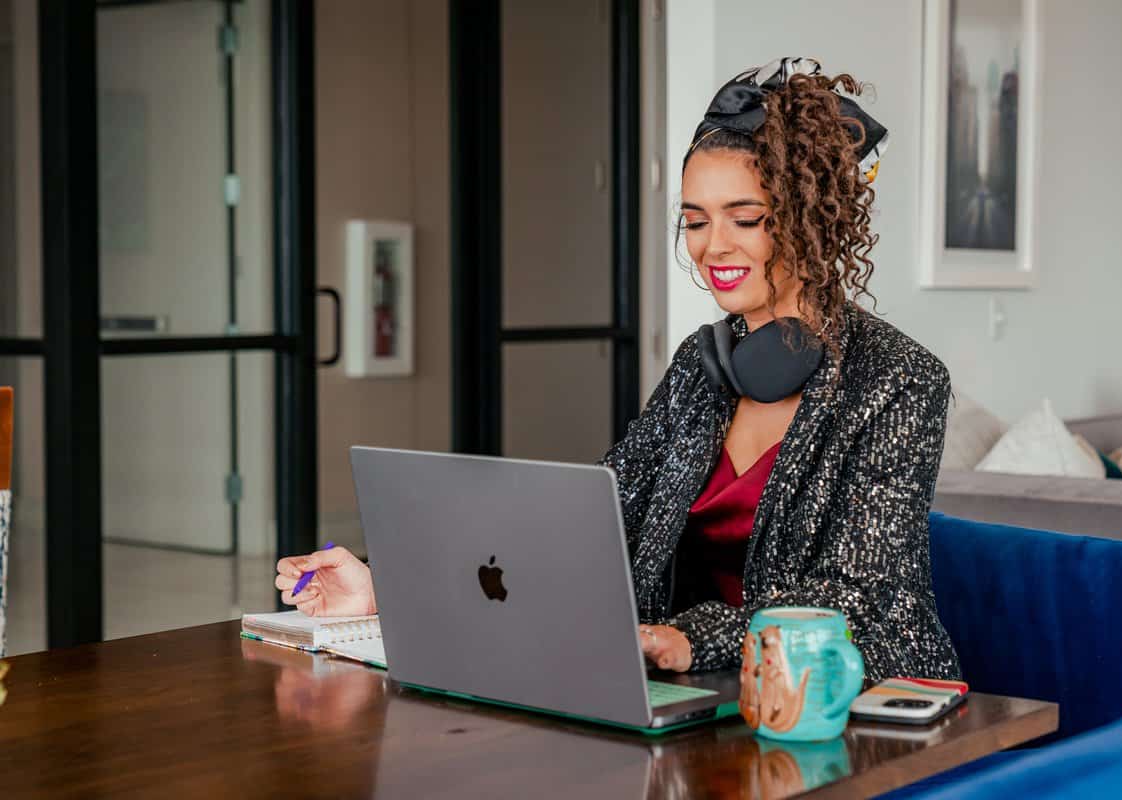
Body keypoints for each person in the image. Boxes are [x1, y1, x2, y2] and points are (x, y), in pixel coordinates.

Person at [276, 57, 961, 685]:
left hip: (838, 705)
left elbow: (858, 599)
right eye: (694, 221)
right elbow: (596, 527)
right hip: (691, 690)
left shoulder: (899, 380)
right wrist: (387, 586)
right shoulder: (704, 363)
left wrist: (696, 640)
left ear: (813, 221)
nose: (712, 246)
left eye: (744, 218)